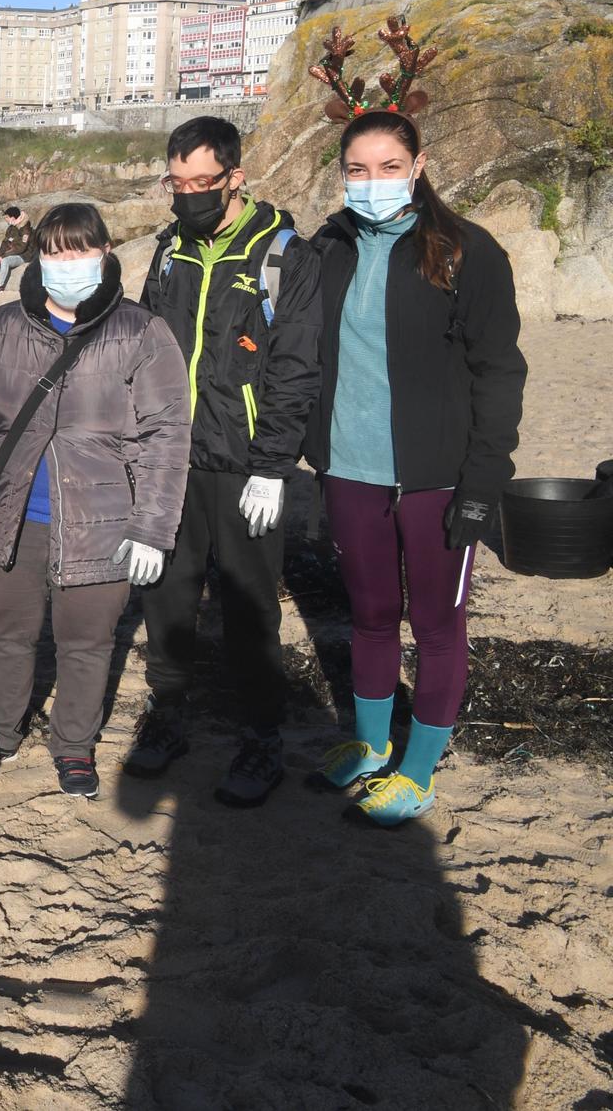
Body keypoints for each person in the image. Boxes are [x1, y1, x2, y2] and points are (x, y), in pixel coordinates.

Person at [0, 204, 191, 797]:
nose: (70, 264)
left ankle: (74, 748)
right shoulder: (1, 328)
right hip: (8, 520)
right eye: (56, 251)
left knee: (87, 643)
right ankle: (0, 734)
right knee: (9, 635)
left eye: (82, 250)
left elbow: (167, 437)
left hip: (104, 523)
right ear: (37, 257)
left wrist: (153, 529)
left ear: (107, 252)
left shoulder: (143, 332)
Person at [303, 96, 525, 826]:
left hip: (438, 476)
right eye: (358, 169)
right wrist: (313, 444)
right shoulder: (328, 247)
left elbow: (499, 371)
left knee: (436, 622)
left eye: (391, 166)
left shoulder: (464, 248)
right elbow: (301, 353)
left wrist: (482, 482)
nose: (374, 180)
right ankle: (370, 747)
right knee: (369, 615)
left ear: (420, 166)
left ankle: (419, 767)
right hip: (351, 469)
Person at [123, 115, 322, 809]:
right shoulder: (170, 249)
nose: (186, 195)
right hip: (171, 461)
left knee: (247, 608)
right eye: (175, 182)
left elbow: (295, 370)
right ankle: (169, 717)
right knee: (168, 600)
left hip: (245, 468)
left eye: (201, 182)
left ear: (236, 176)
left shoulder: (283, 255)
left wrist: (273, 466)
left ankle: (261, 735)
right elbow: (145, 342)